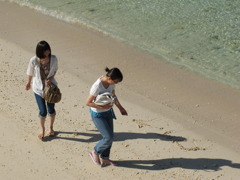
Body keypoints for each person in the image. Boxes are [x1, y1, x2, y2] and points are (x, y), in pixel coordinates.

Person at [86, 67, 128, 166]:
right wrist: (102, 106)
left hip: (108, 112)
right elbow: (88, 102)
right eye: (116, 81)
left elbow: (114, 96)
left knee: (110, 137)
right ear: (109, 78)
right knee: (107, 137)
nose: (116, 83)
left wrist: (120, 108)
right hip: (98, 115)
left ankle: (105, 158)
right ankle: (95, 152)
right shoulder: (97, 86)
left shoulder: (111, 84)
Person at [25, 40, 58, 140]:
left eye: (48, 49)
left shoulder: (53, 58)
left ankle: (51, 128)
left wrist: (51, 79)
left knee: (51, 110)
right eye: (45, 50)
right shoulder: (33, 60)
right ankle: (42, 129)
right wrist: (28, 83)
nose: (48, 52)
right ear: (40, 51)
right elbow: (30, 72)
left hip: (50, 89)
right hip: (38, 89)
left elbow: (55, 70)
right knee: (43, 111)